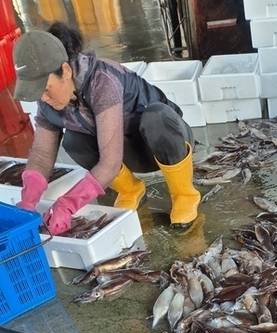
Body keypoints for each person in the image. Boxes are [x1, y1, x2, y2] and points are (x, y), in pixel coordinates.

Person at [13, 22, 201, 232]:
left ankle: (184, 194)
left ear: (65, 70)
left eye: (46, 89)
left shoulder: (102, 80)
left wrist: (68, 204)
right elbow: (41, 154)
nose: (43, 98)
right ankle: (130, 190)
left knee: (156, 117)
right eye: (37, 92)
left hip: (166, 144)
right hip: (125, 153)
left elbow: (109, 164)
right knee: (74, 141)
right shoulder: (48, 101)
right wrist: (28, 202)